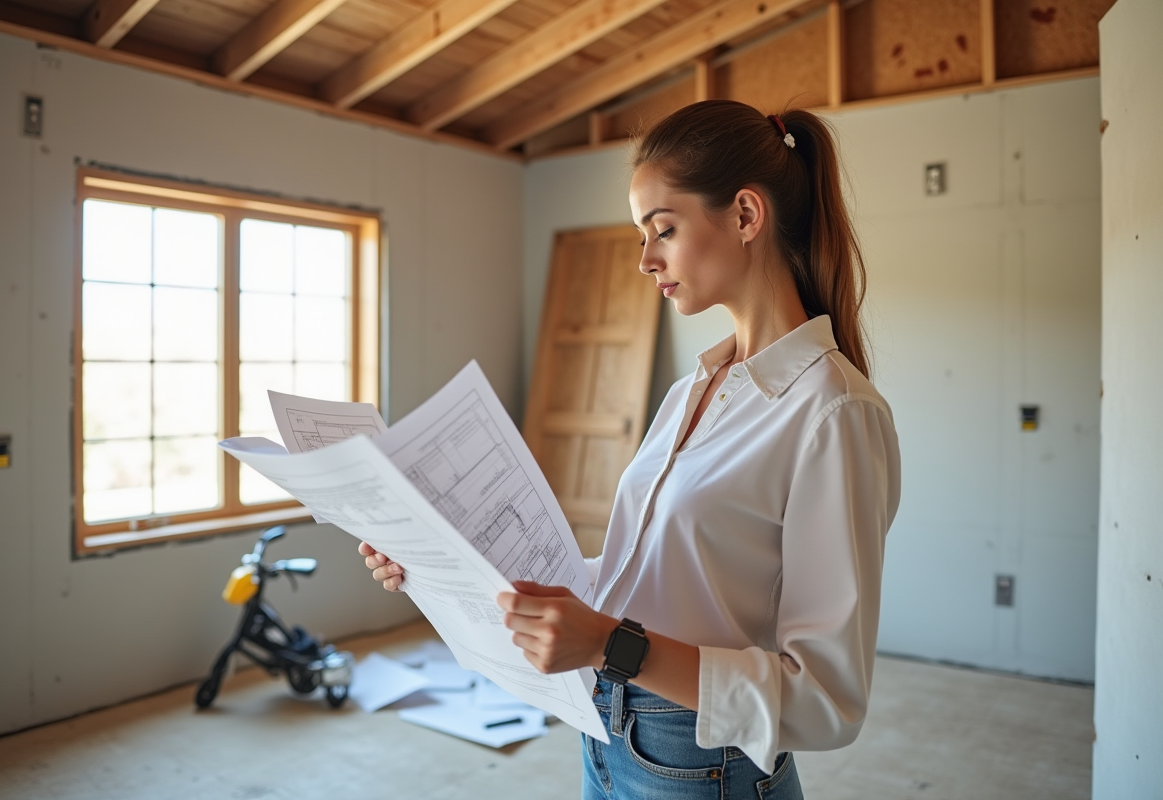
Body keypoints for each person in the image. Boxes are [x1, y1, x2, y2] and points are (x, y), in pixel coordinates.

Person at [360, 99, 901, 800]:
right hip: (606, 733)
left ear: (744, 215)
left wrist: (613, 646)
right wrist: (439, 555)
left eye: (663, 230)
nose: (645, 260)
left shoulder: (834, 412)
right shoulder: (694, 392)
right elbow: (634, 585)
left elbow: (826, 700)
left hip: (703, 764)